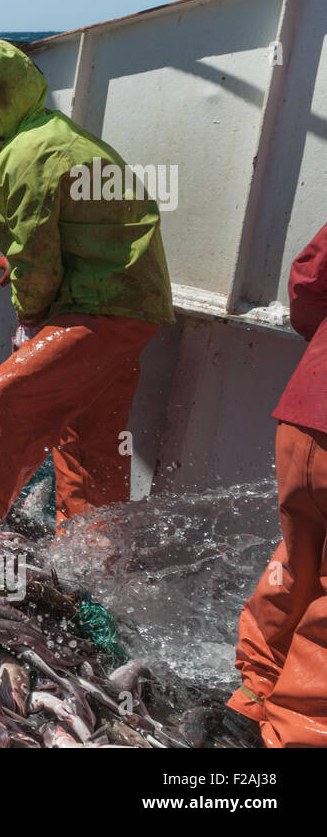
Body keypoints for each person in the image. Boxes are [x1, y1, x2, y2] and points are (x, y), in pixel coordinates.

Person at [0, 40, 174, 545]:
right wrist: (16, 260)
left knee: (7, 397)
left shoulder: (28, 154)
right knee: (90, 440)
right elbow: (63, 232)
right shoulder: (51, 136)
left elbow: (37, 259)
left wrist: (30, 318)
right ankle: (93, 564)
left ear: (2, 105)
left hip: (102, 309)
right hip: (131, 303)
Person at [227, 221, 327, 747]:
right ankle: (298, 737)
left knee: (297, 560)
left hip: (306, 418)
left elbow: (309, 282)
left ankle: (251, 697)